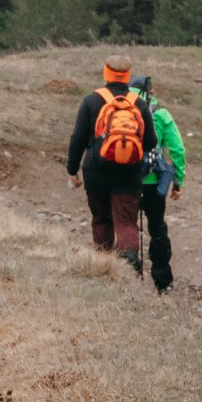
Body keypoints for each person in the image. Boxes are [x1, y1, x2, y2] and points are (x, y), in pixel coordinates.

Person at [65, 55, 157, 275]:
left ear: (105, 73)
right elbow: (151, 142)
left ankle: (104, 267)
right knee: (126, 221)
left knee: (101, 220)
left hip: (96, 171)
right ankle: (128, 265)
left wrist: (72, 170)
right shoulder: (139, 104)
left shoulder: (91, 101)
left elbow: (77, 139)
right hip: (129, 173)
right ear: (127, 76)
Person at [133, 77, 184, 294]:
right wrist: (177, 181)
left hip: (126, 182)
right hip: (153, 183)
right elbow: (177, 149)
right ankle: (163, 280)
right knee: (157, 228)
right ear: (150, 90)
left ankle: (128, 273)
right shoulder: (160, 113)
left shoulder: (120, 109)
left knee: (127, 226)